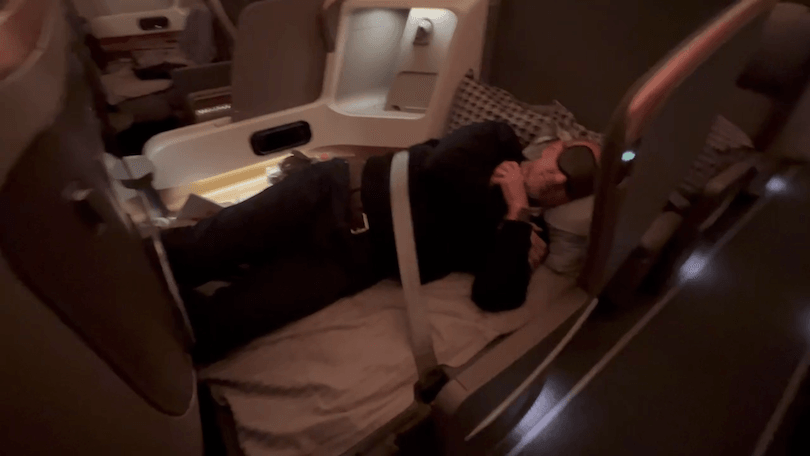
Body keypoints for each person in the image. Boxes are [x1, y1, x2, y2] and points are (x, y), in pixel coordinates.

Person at [162, 121, 601, 363]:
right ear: (555, 147)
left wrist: (516, 212)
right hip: (331, 194)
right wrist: (501, 193)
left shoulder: (522, 231)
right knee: (192, 252)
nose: (560, 180)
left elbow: (495, 295)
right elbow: (440, 168)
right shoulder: (497, 141)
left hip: (355, 260)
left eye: (575, 186)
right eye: (570, 163)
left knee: (223, 326)